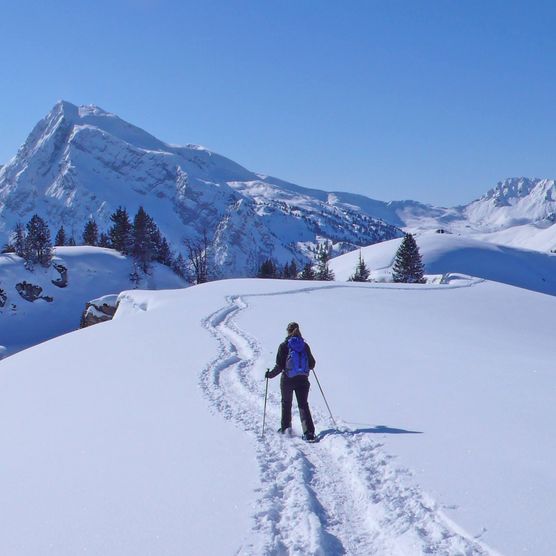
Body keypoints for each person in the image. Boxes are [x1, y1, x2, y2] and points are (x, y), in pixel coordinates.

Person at [265, 322, 317, 441]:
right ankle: (309, 432)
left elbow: (279, 366)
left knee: (286, 403)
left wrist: (270, 375)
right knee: (303, 405)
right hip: (303, 380)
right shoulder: (305, 346)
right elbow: (312, 364)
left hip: (287, 380)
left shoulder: (284, 346)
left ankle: (286, 428)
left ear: (288, 331)